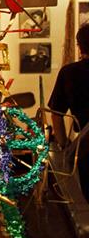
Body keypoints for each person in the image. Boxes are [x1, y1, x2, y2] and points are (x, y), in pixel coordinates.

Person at [48, 23, 89, 202]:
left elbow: (56, 114)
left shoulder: (69, 73)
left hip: (87, 146)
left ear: (80, 46)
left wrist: (64, 145)